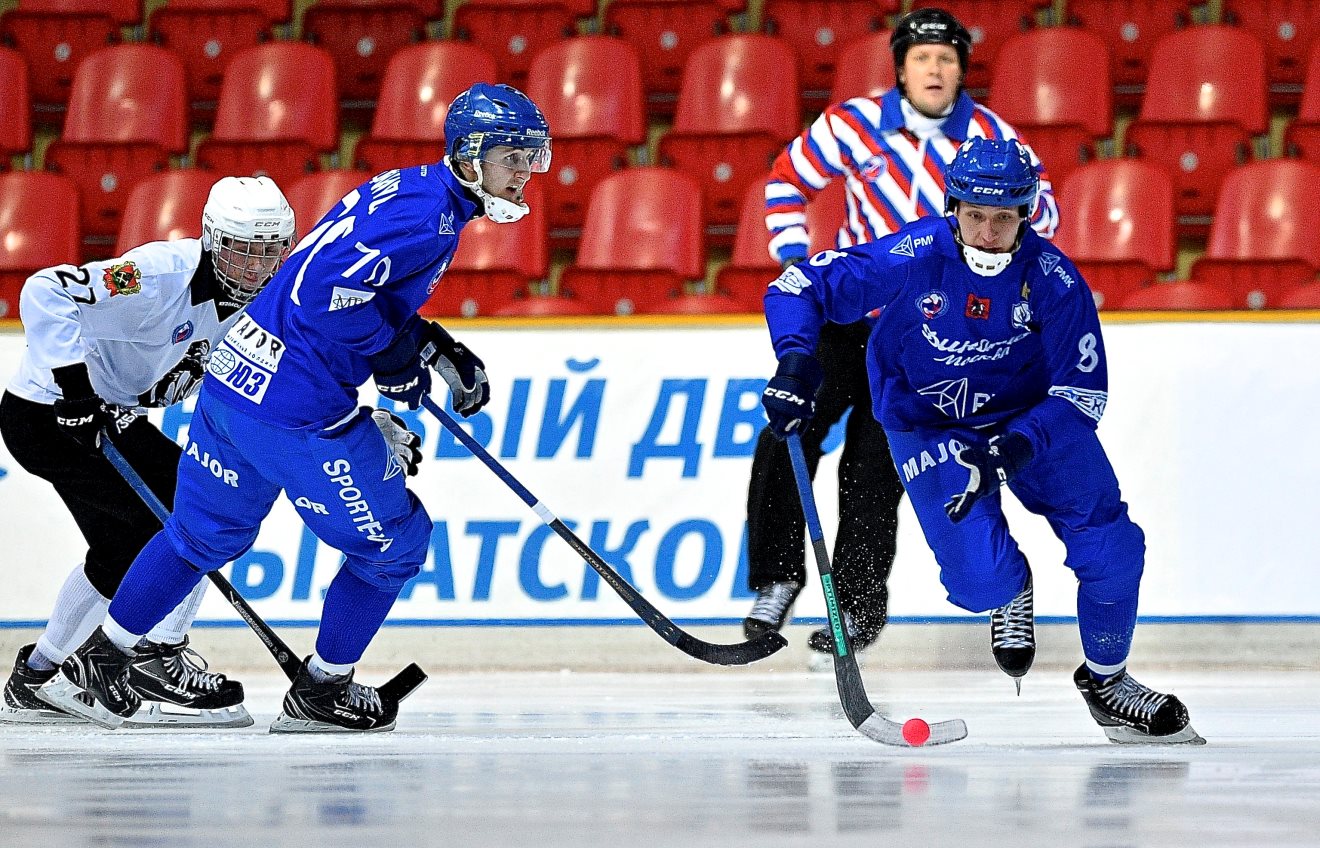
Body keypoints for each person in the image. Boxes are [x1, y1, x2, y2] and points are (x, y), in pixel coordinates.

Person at [39, 82, 550, 734]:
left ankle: (101, 663)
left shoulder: (418, 189)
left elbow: (355, 284)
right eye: (513, 158)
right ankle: (322, 693)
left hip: (233, 383)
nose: (526, 173)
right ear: (472, 156)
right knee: (396, 544)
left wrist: (432, 346)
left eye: (533, 158)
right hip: (295, 408)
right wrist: (395, 374)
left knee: (199, 536)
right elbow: (328, 296)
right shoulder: (427, 220)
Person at [758, 135, 1201, 744]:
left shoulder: (1053, 279)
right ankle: (1010, 589)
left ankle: (1108, 681)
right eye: (975, 215)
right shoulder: (915, 252)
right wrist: (795, 363)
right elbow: (797, 286)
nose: (989, 232)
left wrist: (1015, 446)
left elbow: (1083, 392)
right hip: (927, 422)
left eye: (1004, 217)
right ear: (953, 208)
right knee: (978, 585)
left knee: (1114, 545)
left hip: (1030, 417)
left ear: (1026, 214)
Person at [744, 6, 1059, 668]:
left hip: (926, 340)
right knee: (784, 432)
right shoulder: (853, 123)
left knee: (875, 470)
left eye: (946, 58)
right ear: (901, 68)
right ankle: (776, 580)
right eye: (922, 58)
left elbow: (1046, 211)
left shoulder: (992, 135)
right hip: (849, 318)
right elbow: (784, 178)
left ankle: (855, 611)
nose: (935, 69)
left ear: (962, 69)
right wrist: (796, 257)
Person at [0, 176, 295, 727]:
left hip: (108, 414)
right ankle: (148, 657)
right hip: (49, 415)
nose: (256, 269)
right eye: (241, 251)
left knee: (128, 548)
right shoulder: (159, 276)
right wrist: (75, 389)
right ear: (211, 239)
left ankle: (39, 677)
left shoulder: (270, 298)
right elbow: (46, 290)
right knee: (186, 521)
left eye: (269, 252)